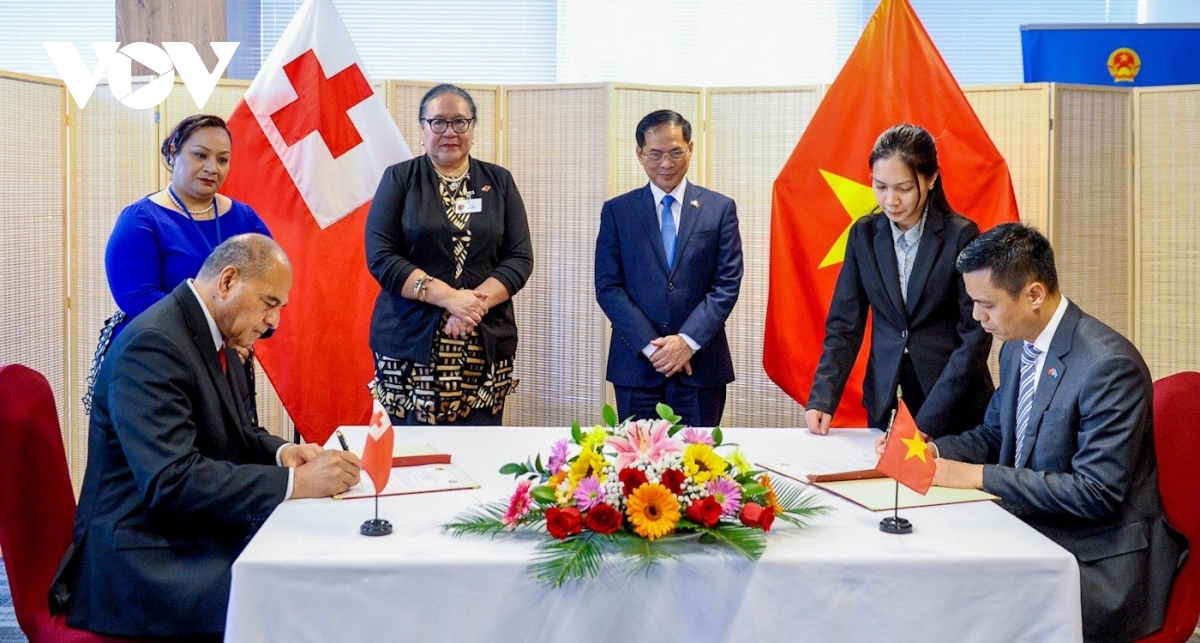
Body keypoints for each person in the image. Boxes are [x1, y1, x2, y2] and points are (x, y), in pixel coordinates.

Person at [55, 234, 361, 639]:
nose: (274, 322)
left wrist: (286, 453)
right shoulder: (153, 345)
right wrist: (296, 483)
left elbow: (239, 433)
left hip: (184, 529)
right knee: (301, 592)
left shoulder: (214, 332)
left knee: (314, 563)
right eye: (269, 303)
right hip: (140, 556)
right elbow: (171, 481)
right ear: (228, 281)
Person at [922, 223, 1187, 642]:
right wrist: (932, 452)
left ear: (1033, 294)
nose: (976, 317)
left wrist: (977, 476)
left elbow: (1095, 493)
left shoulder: (1107, 366)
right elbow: (995, 434)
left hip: (1099, 558)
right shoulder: (1016, 346)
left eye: (986, 304)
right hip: (1036, 527)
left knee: (961, 600)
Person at [806, 124, 993, 438]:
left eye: (903, 188)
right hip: (887, 399)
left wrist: (929, 422)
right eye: (880, 186)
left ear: (931, 179)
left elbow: (974, 336)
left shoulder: (960, 236)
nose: (890, 200)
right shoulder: (864, 235)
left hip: (952, 404)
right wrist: (823, 396)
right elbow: (844, 324)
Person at [366, 84, 533, 425]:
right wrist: (449, 299)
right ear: (423, 127)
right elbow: (381, 256)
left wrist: (471, 306)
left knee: (480, 445)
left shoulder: (499, 181)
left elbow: (519, 257)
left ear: (473, 127)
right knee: (413, 449)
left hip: (484, 340)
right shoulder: (400, 179)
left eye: (460, 122)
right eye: (438, 122)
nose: (449, 132)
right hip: (409, 342)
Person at [86, 114, 273, 418]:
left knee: (229, 447)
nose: (212, 168)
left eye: (222, 159)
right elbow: (138, 297)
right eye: (200, 155)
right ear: (173, 152)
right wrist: (214, 341)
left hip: (227, 365)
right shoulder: (141, 219)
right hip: (155, 361)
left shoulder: (244, 218)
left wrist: (243, 335)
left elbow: (269, 286)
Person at [595, 109, 743, 427]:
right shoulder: (618, 211)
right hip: (637, 366)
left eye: (676, 152)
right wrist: (653, 348)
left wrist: (686, 341)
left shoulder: (719, 209)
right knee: (636, 456)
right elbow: (608, 287)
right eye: (656, 154)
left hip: (700, 365)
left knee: (699, 456)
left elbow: (727, 283)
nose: (666, 163)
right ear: (640, 153)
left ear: (690, 149)